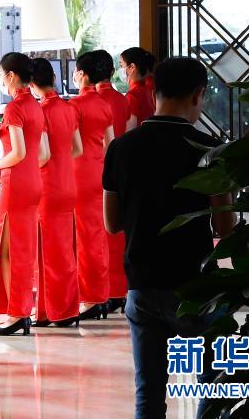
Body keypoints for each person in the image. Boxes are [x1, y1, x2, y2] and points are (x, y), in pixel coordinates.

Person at [103, 56, 235, 419]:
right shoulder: (209, 149)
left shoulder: (121, 148)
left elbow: (112, 223)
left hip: (142, 286)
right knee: (215, 385)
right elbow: (225, 227)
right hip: (195, 287)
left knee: (148, 395)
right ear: (198, 95)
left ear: (155, 93)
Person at [0, 52, 49, 336]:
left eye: (2, 76)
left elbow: (19, 152)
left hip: (17, 183)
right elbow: (43, 154)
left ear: (11, 76)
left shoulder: (14, 108)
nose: (1, 81)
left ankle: (17, 314)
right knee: (23, 250)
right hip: (34, 181)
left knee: (8, 251)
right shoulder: (36, 106)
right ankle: (21, 311)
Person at [29, 58, 83, 328]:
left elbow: (43, 154)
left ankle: (53, 312)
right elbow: (78, 149)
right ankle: (66, 307)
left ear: (31, 83)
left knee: (48, 252)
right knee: (65, 249)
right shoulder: (69, 108)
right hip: (68, 183)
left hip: (47, 185)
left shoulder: (41, 111)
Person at [69, 51, 115, 321]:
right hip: (99, 173)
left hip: (78, 173)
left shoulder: (74, 105)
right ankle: (101, 295)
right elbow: (111, 145)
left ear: (82, 75)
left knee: (83, 239)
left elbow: (70, 146)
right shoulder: (104, 104)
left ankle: (91, 298)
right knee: (97, 236)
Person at [92, 50, 131, 314]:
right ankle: (120, 290)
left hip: (96, 170)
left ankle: (104, 291)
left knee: (99, 236)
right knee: (118, 234)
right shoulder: (122, 100)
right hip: (122, 169)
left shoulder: (90, 102)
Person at [120, 47, 157, 130]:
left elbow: (130, 132)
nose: (120, 69)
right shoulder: (148, 90)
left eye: (121, 65)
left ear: (132, 67)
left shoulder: (132, 96)